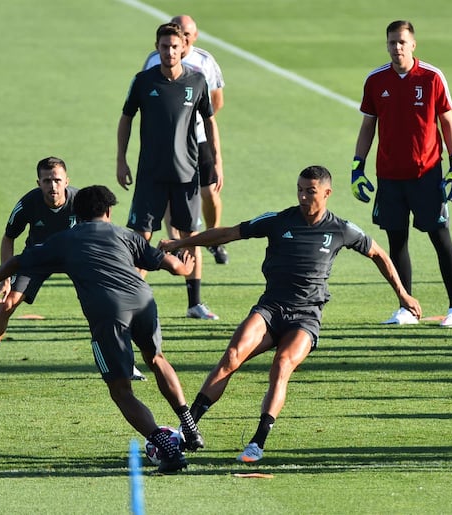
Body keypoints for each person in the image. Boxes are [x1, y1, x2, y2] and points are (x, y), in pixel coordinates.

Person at [160, 165, 421, 463]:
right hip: (270, 309)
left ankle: (257, 442)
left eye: (309, 191)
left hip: (305, 317)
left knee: (282, 364)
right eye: (299, 189)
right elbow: (229, 233)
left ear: (326, 193)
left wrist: (403, 294)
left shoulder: (341, 229)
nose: (302, 196)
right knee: (232, 356)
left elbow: (379, 254)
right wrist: (181, 242)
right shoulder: (277, 220)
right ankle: (187, 429)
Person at [0, 185, 204, 473]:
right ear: (108, 211)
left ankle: (168, 448)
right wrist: (185, 266)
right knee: (157, 359)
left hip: (108, 313)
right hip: (144, 300)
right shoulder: (126, 235)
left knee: (121, 390)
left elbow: (19, 260)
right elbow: (173, 266)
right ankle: (190, 427)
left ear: (77, 214)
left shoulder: (66, 239)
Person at [351, 20, 452, 328]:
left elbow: (448, 123)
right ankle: (406, 307)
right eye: (391, 42)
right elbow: (368, 127)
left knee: (440, 237)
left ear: (413, 44)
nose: (396, 47)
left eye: (402, 42)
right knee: (396, 241)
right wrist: (357, 167)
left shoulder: (431, 77)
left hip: (426, 174)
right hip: (389, 177)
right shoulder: (376, 80)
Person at [117, 22, 223, 321]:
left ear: (183, 48)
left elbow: (210, 122)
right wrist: (121, 159)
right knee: (141, 236)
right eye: (164, 47)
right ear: (157, 48)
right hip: (150, 172)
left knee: (191, 235)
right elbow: (126, 118)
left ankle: (195, 303)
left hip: (187, 173)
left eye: (175, 47)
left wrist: (217, 161)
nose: (170, 52)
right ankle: (133, 299)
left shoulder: (197, 82)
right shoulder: (142, 81)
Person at [142, 14, 229, 264]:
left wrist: (192, 117)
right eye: (180, 32)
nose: (183, 37)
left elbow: (217, 100)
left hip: (199, 138)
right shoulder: (153, 60)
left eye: (188, 33)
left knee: (209, 191)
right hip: (168, 142)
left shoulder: (204, 61)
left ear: (194, 36)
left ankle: (213, 238)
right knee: (172, 191)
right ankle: (176, 242)